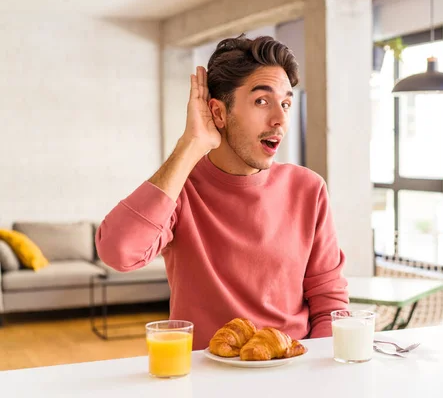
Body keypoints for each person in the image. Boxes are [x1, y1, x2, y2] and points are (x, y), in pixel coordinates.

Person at [95, 35, 349, 350]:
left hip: (292, 369)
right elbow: (118, 252)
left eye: (285, 103)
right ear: (218, 113)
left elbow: (329, 300)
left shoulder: (308, 189)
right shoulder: (181, 190)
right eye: (261, 101)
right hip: (205, 379)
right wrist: (190, 145)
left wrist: (322, 374)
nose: (280, 119)